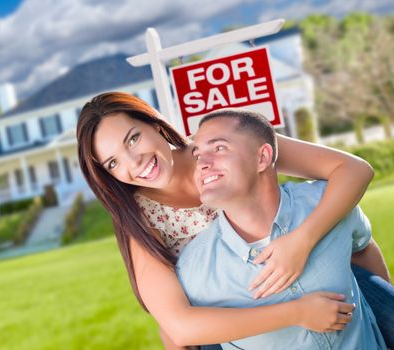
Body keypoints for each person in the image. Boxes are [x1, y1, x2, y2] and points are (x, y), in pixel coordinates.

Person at [76, 92, 392, 348]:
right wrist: (296, 313)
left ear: (155, 126)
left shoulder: (222, 145)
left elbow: (353, 170)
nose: (134, 162)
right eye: (113, 163)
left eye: (133, 139)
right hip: (239, 317)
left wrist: (303, 239)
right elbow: (179, 326)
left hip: (316, 275)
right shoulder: (140, 220)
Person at [176, 109, 386, 349]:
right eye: (197, 155)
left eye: (219, 148)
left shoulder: (327, 202)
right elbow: (179, 335)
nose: (202, 163)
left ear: (262, 158)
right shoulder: (194, 270)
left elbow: (363, 248)